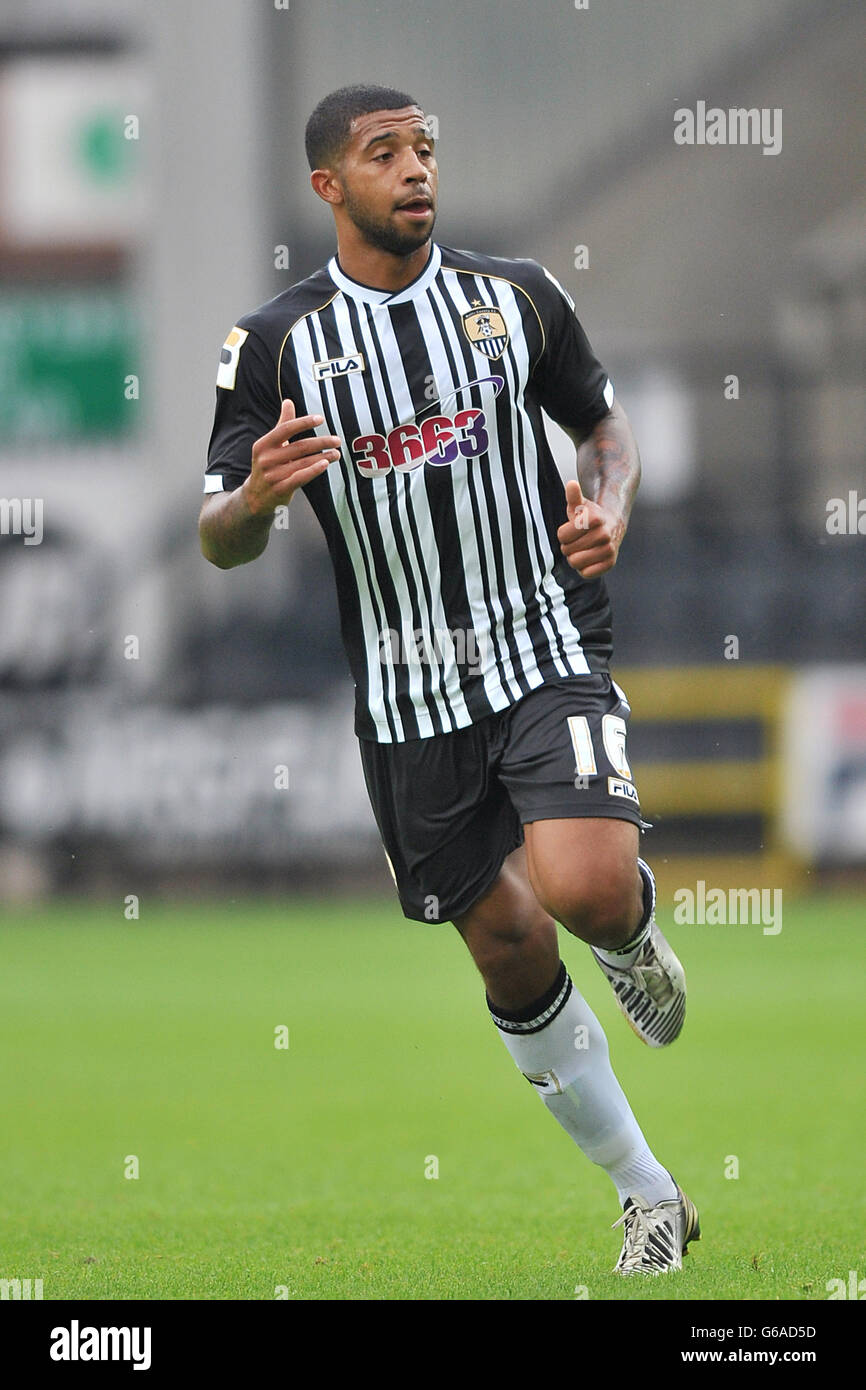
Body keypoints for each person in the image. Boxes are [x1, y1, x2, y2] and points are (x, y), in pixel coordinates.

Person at [199, 84, 698, 1277]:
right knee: (509, 947)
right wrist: (258, 499)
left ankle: (628, 931)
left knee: (579, 889)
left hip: (538, 639)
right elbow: (216, 533)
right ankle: (648, 1194)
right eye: (385, 154)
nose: (415, 170)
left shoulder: (515, 298)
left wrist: (608, 507)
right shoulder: (271, 347)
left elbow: (604, 433)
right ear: (330, 186)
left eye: (425, 150)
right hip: (405, 689)